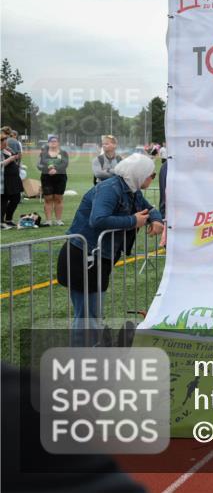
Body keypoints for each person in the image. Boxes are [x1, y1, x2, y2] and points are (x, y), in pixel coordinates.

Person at [56, 154, 164, 342]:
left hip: (98, 256)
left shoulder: (132, 189)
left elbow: (151, 209)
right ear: (138, 173)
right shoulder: (110, 188)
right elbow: (98, 219)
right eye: (151, 175)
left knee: (93, 314)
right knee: (87, 316)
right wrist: (133, 221)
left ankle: (90, 351)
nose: (152, 178)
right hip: (83, 256)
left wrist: (155, 220)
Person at [37, 134, 69, 226]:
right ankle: (48, 221)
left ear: (58, 143)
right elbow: (39, 165)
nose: (53, 143)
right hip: (46, 178)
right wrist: (48, 169)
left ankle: (58, 220)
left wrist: (56, 170)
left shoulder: (63, 153)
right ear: (48, 143)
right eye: (51, 141)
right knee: (48, 199)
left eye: (55, 141)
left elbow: (65, 164)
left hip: (60, 177)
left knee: (58, 198)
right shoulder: (43, 153)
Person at [1, 131, 23, 229]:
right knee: (3, 200)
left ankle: (8, 219)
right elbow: (1, 164)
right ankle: (1, 221)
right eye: (4, 141)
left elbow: (16, 158)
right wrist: (11, 158)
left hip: (14, 178)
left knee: (16, 198)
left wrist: (15, 156)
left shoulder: (7, 149)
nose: (7, 142)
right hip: (5, 179)